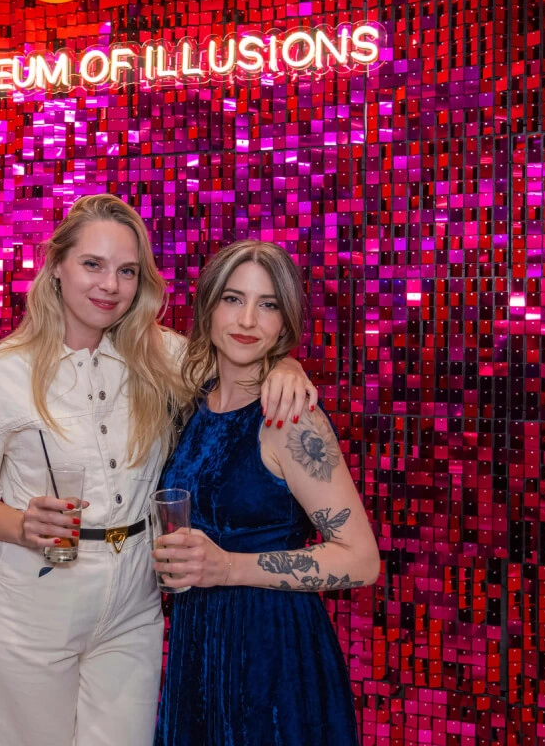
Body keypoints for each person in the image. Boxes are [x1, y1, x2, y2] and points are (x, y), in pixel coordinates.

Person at [0, 196, 317, 746]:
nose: (109, 285)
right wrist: (21, 524)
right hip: (33, 609)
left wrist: (287, 363)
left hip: (134, 606)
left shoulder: (162, 355)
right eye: (93, 264)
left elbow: (242, 351)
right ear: (57, 265)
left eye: (126, 271)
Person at [152, 239, 380, 746]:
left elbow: (362, 560)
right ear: (208, 307)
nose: (248, 320)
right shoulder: (194, 403)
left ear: (285, 323)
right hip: (200, 642)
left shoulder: (292, 421)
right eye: (233, 299)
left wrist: (229, 567)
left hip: (272, 653)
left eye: (268, 304)